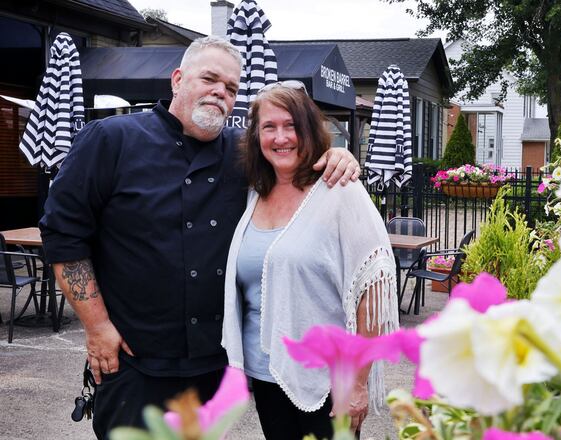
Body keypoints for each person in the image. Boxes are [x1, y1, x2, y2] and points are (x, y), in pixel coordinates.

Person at [39, 36, 360, 439]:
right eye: (210, 79)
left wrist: (336, 157)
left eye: (231, 88)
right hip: (134, 363)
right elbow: (64, 234)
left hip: (212, 366)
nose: (220, 93)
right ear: (177, 79)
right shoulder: (110, 140)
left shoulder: (245, 155)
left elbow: (295, 159)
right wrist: (98, 327)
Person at [221, 83, 400, 438]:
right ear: (256, 135)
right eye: (269, 127)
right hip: (266, 372)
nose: (280, 137)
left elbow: (373, 286)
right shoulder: (255, 192)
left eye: (291, 126)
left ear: (308, 130)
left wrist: (358, 383)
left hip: (327, 381)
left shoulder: (339, 190)